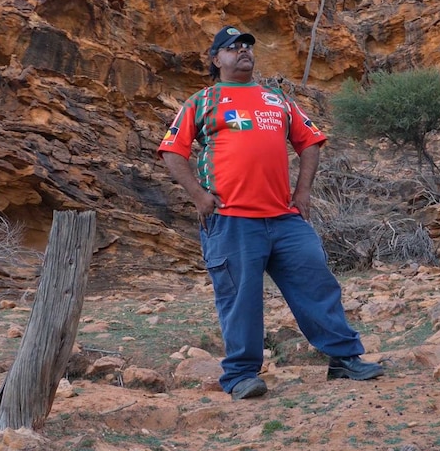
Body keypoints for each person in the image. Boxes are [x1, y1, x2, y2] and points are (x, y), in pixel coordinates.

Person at [157, 26, 383, 400]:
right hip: (231, 219)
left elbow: (309, 141)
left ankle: (344, 360)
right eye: (232, 47)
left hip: (284, 218)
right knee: (240, 297)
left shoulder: (276, 99)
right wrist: (199, 196)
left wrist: (303, 191)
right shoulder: (201, 101)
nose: (243, 51)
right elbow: (171, 151)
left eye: (247, 45)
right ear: (216, 59)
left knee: (317, 284)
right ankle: (242, 376)